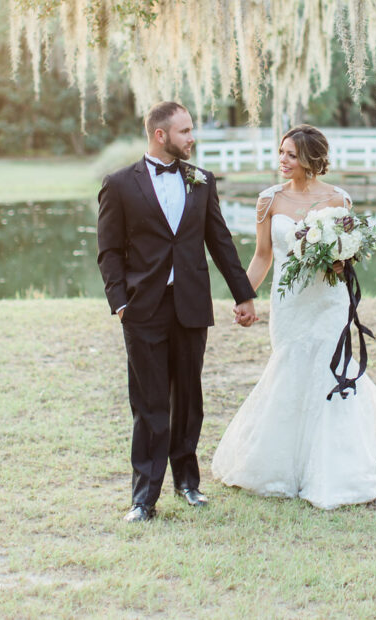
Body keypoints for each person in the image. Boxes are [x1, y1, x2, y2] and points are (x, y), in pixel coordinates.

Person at [212, 123, 376, 509]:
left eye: (291, 154)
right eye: (281, 152)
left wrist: (341, 262)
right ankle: (282, 462)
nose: (282, 161)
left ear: (310, 160)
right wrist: (244, 296)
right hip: (289, 304)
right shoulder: (267, 200)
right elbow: (262, 255)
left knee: (330, 366)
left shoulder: (339, 200)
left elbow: (347, 253)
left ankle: (334, 465)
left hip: (328, 302)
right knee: (288, 367)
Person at [97, 101, 257, 522]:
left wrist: (243, 294)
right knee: (149, 402)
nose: (192, 138)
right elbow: (109, 252)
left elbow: (219, 240)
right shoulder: (118, 184)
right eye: (184, 131)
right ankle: (143, 499)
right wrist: (120, 303)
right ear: (160, 135)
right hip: (142, 308)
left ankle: (188, 483)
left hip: (190, 304)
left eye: (191, 130)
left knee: (188, 398)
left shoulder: (201, 181)